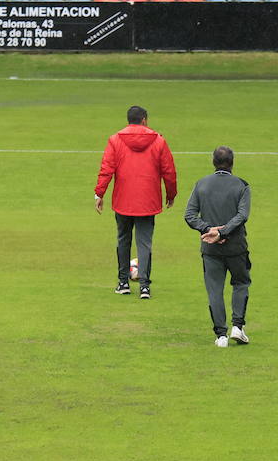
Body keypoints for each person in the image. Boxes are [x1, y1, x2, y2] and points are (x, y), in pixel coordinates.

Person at [94, 105, 177, 298]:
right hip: (148, 200)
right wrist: (171, 194)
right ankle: (145, 286)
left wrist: (99, 193)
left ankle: (123, 282)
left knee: (123, 239)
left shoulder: (115, 140)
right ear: (144, 120)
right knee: (144, 243)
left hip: (123, 200)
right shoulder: (158, 141)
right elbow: (169, 171)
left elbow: (107, 169)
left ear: (128, 120)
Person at [184, 146, 251, 347]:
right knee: (240, 283)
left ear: (213, 162)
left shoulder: (201, 184)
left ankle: (221, 335)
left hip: (210, 249)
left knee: (215, 289)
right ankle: (237, 327)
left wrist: (209, 230)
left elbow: (189, 215)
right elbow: (242, 215)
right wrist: (222, 232)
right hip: (236, 247)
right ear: (232, 162)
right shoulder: (242, 186)